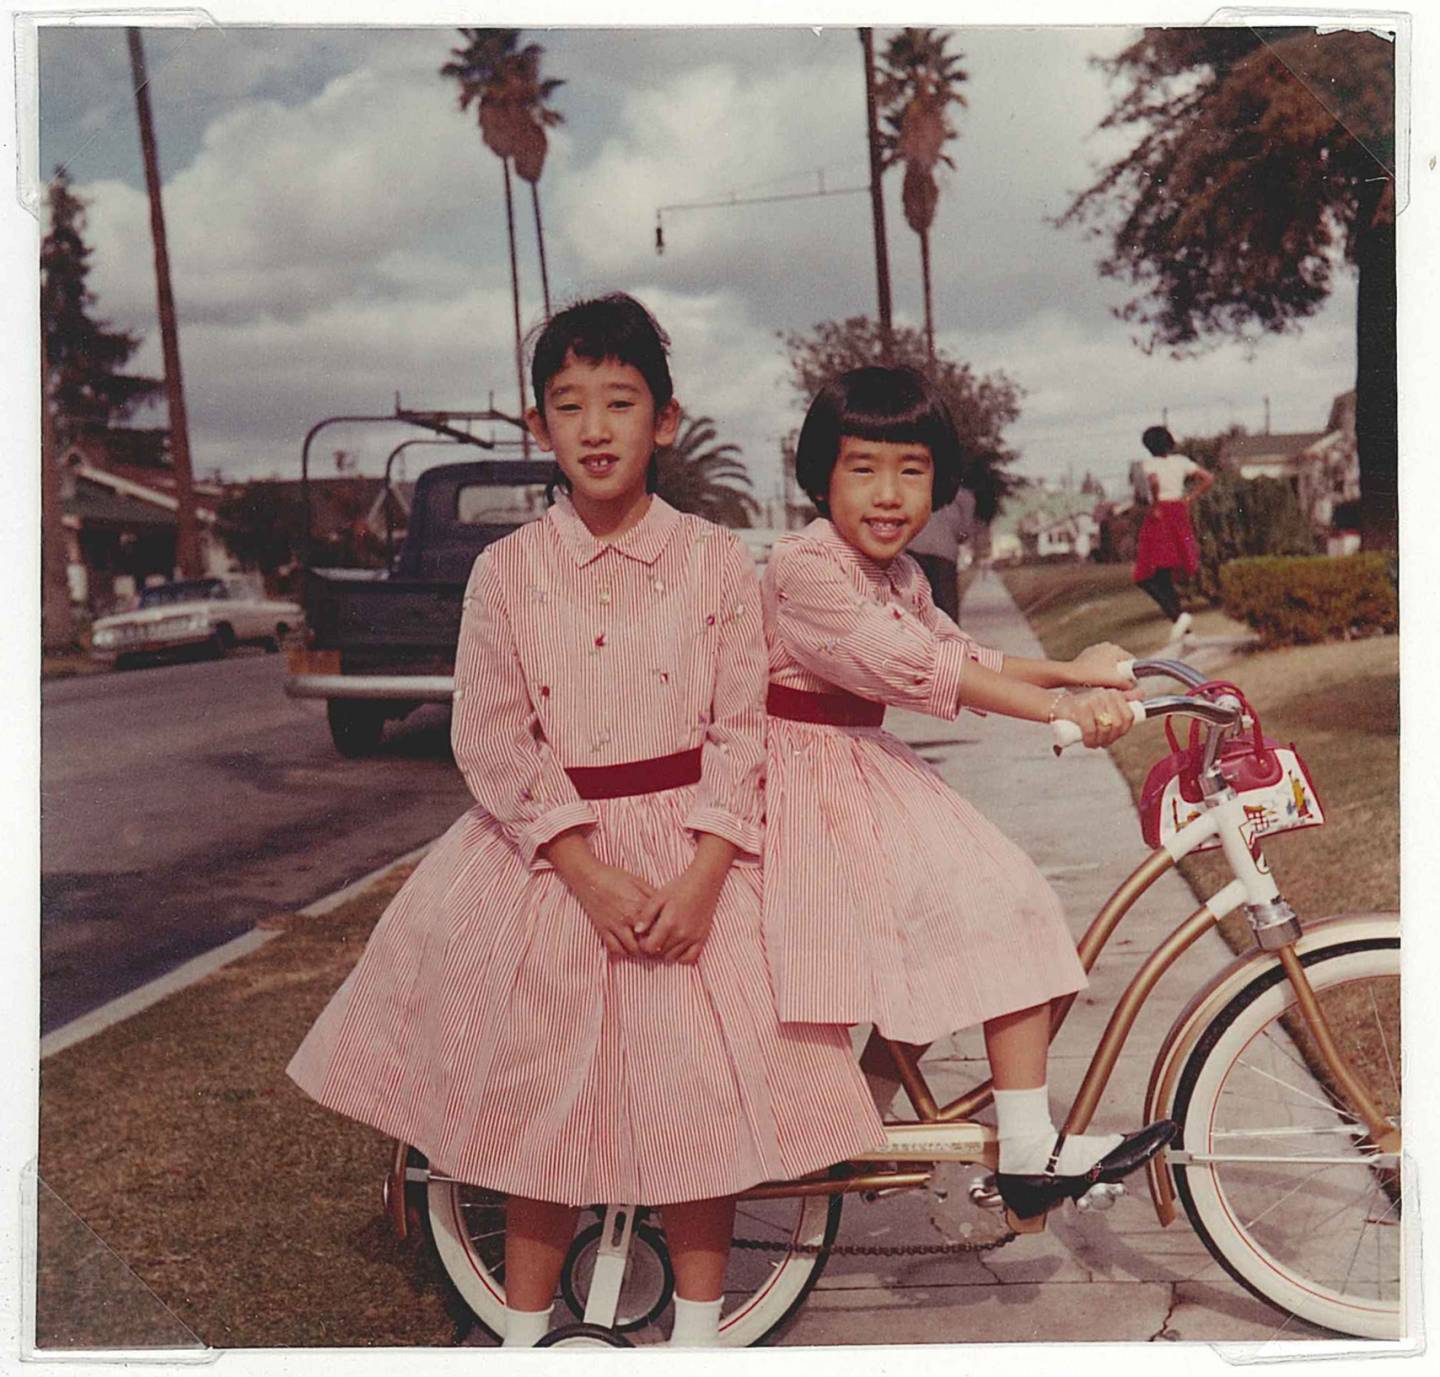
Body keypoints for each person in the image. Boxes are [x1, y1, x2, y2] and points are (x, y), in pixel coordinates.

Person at [288, 295, 884, 1346]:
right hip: (554, 866)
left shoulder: (712, 562)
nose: (597, 428)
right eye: (571, 406)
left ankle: (698, 1337)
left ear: (665, 420)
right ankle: (525, 1338)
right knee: (539, 1103)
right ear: (539, 429)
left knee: (700, 1101)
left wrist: (704, 876)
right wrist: (585, 868)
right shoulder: (508, 572)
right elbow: (492, 735)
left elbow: (740, 732)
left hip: (693, 861)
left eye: (622, 402)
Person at [761, 365, 1174, 1219]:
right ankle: (1026, 1148)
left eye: (911, 471)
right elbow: (921, 667)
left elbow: (968, 654)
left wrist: (1081, 665)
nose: (888, 494)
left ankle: (854, 1131)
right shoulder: (805, 566)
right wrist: (1062, 703)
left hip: (855, 766)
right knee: (1008, 905)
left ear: (940, 485)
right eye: (862, 467)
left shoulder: (904, 576)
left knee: (968, 938)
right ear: (819, 475)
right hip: (805, 783)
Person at [1131, 425, 1214, 638]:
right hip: (1178, 511)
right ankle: (1183, 626)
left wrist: (1155, 504)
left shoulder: (1148, 464)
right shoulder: (1181, 462)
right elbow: (1207, 478)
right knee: (1163, 572)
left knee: (1145, 575)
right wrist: (1190, 497)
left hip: (1160, 514)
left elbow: (1154, 482)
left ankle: (1178, 617)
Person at [908, 485, 975, 620]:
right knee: (946, 607)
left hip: (913, 549)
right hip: (944, 552)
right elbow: (964, 532)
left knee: (913, 608)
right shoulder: (964, 496)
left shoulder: (917, 488)